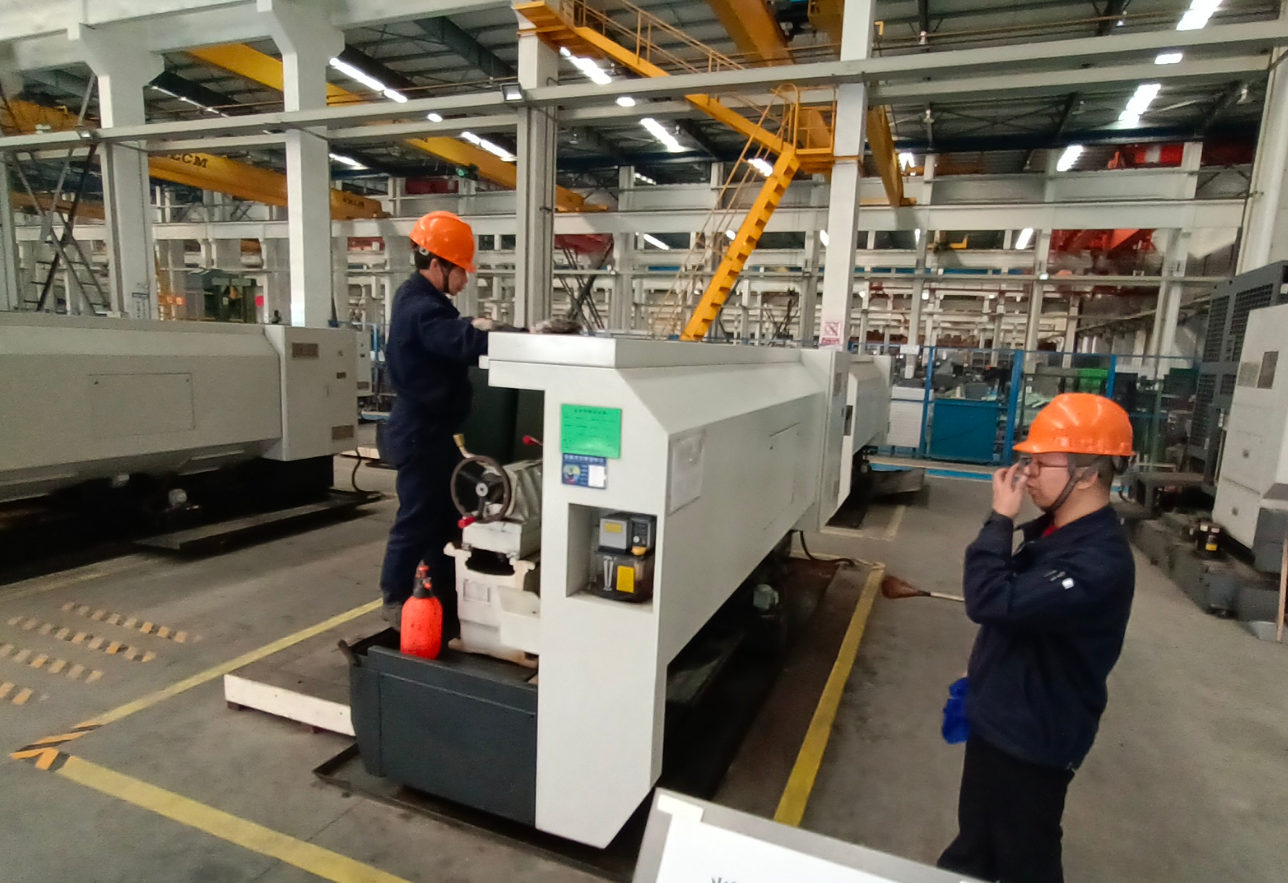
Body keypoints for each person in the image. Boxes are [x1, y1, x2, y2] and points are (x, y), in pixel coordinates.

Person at [936, 392, 1136, 883]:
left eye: (1040, 463)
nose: (1026, 475)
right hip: (1002, 718)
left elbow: (991, 600)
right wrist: (983, 671)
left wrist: (999, 519)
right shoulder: (1055, 533)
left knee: (1024, 860)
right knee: (976, 847)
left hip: (1031, 739)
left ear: (1087, 474)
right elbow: (1021, 617)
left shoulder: (1097, 562)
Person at [378, 211, 494, 637]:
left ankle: (442, 593)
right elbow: (460, 341)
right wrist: (514, 336)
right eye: (460, 269)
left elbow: (456, 330)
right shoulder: (420, 307)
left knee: (444, 520)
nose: (464, 279)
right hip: (419, 433)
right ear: (437, 264)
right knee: (416, 518)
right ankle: (394, 599)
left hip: (433, 432)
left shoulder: (425, 302)